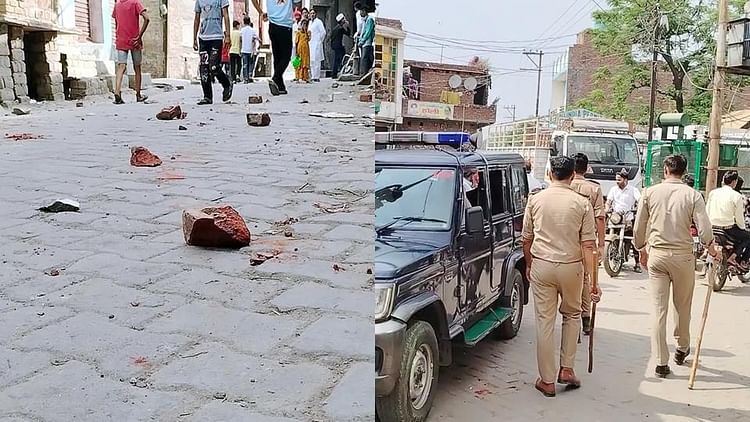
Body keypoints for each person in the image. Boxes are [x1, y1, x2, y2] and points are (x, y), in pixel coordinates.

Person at [522, 156, 600, 397]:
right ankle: (566, 369)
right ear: (572, 175)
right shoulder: (582, 203)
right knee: (572, 315)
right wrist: (593, 282)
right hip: (571, 267)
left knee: (545, 321)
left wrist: (529, 264)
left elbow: (526, 238)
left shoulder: (535, 199)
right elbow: (589, 245)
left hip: (542, 265)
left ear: (549, 174)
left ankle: (546, 380)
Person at [633, 154, 714, 378]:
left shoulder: (650, 192)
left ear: (666, 170)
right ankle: (682, 346)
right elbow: (705, 228)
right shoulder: (693, 195)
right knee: (683, 305)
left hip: (657, 255)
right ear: (684, 171)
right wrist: (711, 247)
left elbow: (640, 225)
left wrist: (640, 247)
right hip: (683, 257)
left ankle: (660, 361)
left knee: (659, 309)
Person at [570, 153, 605, 336]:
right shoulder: (594, 189)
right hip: (587, 239)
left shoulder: (565, 185)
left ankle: (572, 317)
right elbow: (600, 217)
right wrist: (601, 243)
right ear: (587, 167)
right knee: (584, 278)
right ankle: (584, 317)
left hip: (567, 239)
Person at [705, 171, 750, 268]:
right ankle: (735, 258)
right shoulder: (737, 196)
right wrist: (742, 228)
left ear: (723, 181)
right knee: (747, 237)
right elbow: (739, 219)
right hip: (728, 229)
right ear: (734, 182)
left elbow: (707, 210)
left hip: (712, 227)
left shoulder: (713, 193)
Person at [193, 0, 233, 105]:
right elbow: (197, 18)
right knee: (204, 69)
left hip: (216, 37)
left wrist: (228, 36)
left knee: (214, 66)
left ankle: (226, 84)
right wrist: (194, 38)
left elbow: (226, 15)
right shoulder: (199, 1)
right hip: (203, 38)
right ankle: (207, 97)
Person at [252, 0, 293, 96]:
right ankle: (275, 78)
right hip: (285, 25)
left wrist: (261, 12)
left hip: (273, 26)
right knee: (286, 57)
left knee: (277, 56)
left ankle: (280, 86)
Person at [112, 0, 150, 104]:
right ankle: (138, 95)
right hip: (134, 41)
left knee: (121, 66)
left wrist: (119, 35)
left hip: (121, 39)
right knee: (137, 67)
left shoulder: (117, 5)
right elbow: (147, 18)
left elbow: (116, 22)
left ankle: (117, 92)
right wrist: (140, 35)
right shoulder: (135, 3)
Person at [606, 170, 642, 272]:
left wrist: (639, 208)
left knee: (633, 239)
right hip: (616, 217)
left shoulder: (633, 190)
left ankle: (637, 263)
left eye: (619, 179)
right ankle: (604, 256)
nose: (617, 182)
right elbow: (608, 201)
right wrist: (607, 208)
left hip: (628, 218)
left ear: (625, 180)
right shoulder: (613, 189)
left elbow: (640, 200)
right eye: (616, 180)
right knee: (607, 234)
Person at [330, 13, 351, 79]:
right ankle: (337, 72)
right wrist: (347, 26)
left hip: (335, 45)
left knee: (337, 59)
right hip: (338, 46)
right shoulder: (340, 28)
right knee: (340, 59)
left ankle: (335, 73)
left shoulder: (335, 28)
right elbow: (348, 33)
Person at [309, 9, 326, 82]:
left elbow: (323, 32)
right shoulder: (309, 23)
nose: (312, 14)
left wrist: (319, 41)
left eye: (313, 13)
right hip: (310, 43)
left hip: (317, 43)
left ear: (316, 14)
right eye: (311, 13)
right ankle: (313, 76)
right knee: (311, 61)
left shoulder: (318, 22)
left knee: (317, 61)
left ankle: (317, 76)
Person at [240, 17, 259, 83]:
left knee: (245, 64)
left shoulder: (242, 30)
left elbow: (240, 39)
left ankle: (245, 78)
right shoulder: (252, 30)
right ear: (249, 22)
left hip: (243, 49)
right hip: (250, 50)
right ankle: (250, 75)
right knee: (250, 64)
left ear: (244, 22)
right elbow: (257, 38)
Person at [357, 5, 374, 75]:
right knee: (367, 59)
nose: (360, 13)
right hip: (364, 42)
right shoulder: (364, 20)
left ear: (364, 11)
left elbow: (368, 32)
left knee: (364, 59)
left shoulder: (369, 19)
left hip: (367, 43)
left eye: (361, 11)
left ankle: (363, 75)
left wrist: (362, 40)